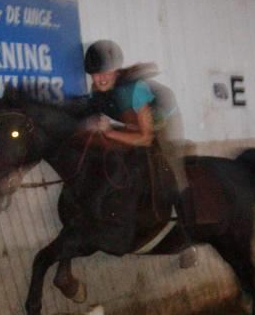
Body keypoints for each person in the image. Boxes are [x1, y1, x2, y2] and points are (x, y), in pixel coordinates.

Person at [83, 39, 197, 268]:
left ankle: (190, 238)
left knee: (169, 166)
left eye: (105, 72)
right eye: (95, 74)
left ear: (115, 71)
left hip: (162, 120)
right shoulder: (96, 91)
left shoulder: (132, 89)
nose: (100, 78)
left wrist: (110, 133)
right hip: (133, 123)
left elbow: (145, 138)